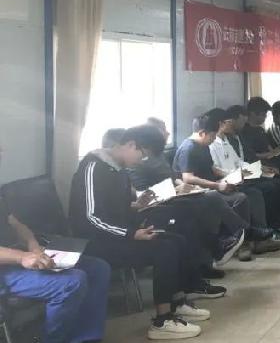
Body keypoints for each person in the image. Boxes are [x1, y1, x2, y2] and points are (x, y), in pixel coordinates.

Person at [70, 127, 226, 340]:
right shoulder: (93, 166)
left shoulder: (119, 169)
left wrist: (138, 205)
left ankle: (177, 302)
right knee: (164, 249)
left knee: (177, 240)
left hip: (119, 235)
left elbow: (118, 207)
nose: (141, 161)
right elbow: (91, 217)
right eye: (142, 155)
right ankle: (162, 321)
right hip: (96, 242)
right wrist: (130, 234)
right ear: (130, 145)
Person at [0, 145, 111, 343]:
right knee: (71, 282)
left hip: (18, 256)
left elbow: (15, 223)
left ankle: (85, 337)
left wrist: (33, 245)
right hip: (5, 271)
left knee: (98, 268)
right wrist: (22, 257)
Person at [128, 124, 246, 271]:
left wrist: (184, 186)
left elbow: (173, 177)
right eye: (163, 130)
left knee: (206, 202)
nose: (168, 132)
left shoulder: (157, 155)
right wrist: (175, 190)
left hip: (171, 196)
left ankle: (208, 260)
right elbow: (143, 195)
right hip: (155, 206)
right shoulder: (134, 164)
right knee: (201, 206)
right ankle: (223, 245)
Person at [174, 111, 280, 256]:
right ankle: (245, 238)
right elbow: (188, 178)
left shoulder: (202, 145)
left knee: (252, 193)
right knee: (240, 198)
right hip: (197, 191)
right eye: (212, 136)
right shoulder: (189, 148)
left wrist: (231, 175)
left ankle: (252, 238)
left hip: (212, 185)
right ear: (202, 133)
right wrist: (218, 186)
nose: (214, 139)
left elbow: (212, 168)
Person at [211, 109, 280, 243]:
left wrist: (255, 168)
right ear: (221, 124)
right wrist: (236, 173)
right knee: (262, 190)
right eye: (229, 122)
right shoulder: (212, 144)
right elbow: (216, 169)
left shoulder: (226, 140)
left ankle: (275, 227)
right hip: (229, 181)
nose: (232, 125)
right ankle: (264, 232)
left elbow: (238, 161)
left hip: (241, 176)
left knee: (275, 183)